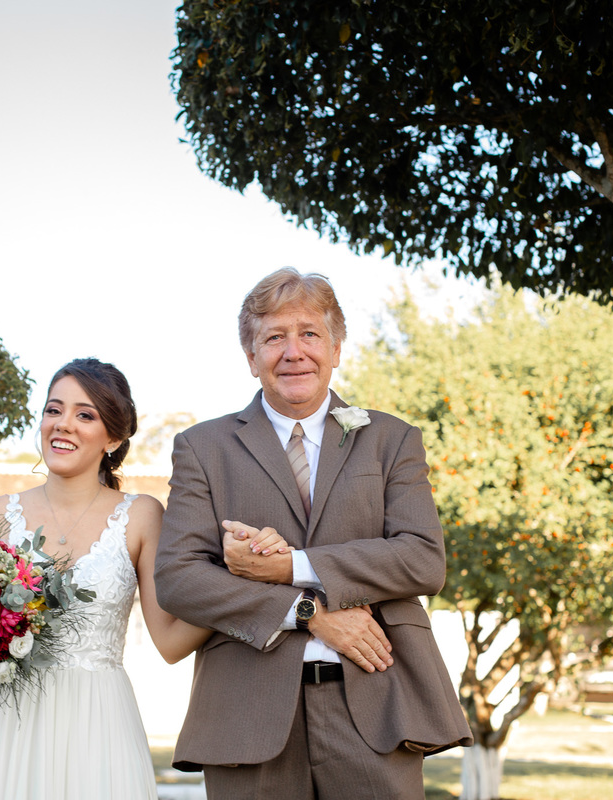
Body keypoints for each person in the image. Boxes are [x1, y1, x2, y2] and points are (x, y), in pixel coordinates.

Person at [154, 268, 473, 799]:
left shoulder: (392, 440)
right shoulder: (202, 448)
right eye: (273, 337)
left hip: (377, 707)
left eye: (309, 333)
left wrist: (290, 567)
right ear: (251, 358)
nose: (293, 351)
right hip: (247, 717)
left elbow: (422, 560)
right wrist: (311, 614)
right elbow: (179, 580)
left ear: (337, 348)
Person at [0, 357, 288, 800]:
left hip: (96, 724)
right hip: (1, 723)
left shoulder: (140, 516)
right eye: (53, 410)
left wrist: (246, 580)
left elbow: (170, 641)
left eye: (85, 415)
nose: (63, 425)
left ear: (115, 437)